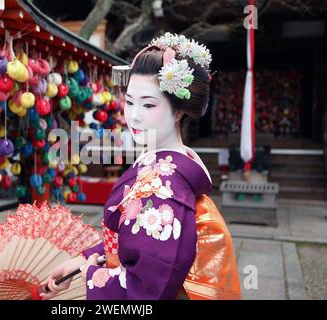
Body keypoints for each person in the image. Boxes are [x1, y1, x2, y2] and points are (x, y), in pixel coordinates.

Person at [40, 33, 241, 300]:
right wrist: (82, 262)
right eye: (130, 101)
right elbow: (137, 243)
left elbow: (145, 289)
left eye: (148, 104)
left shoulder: (163, 189)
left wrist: (91, 274)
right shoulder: (162, 169)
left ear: (179, 111)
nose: (134, 115)